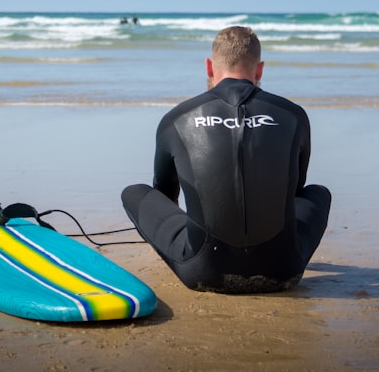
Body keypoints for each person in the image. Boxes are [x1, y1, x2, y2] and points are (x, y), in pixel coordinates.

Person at [121, 26, 331, 293]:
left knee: (135, 193)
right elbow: (295, 190)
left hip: (202, 269)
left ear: (209, 67)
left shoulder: (177, 118)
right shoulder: (293, 115)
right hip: (283, 269)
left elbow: (164, 194)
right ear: (260, 70)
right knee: (317, 193)